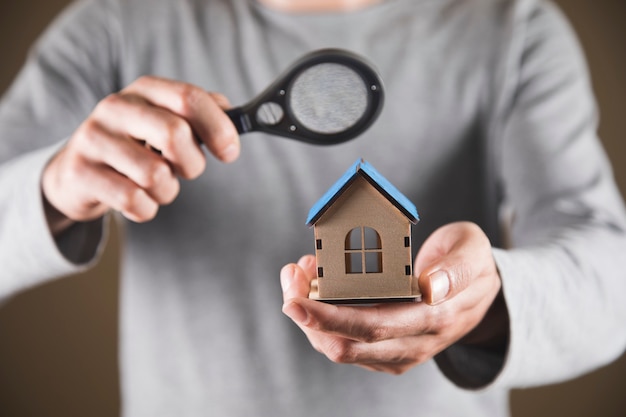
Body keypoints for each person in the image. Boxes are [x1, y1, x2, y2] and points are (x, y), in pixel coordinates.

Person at [1, 0, 625, 415]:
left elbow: (611, 281)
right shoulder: (115, 21)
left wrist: (482, 300)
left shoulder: (513, 26)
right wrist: (54, 184)